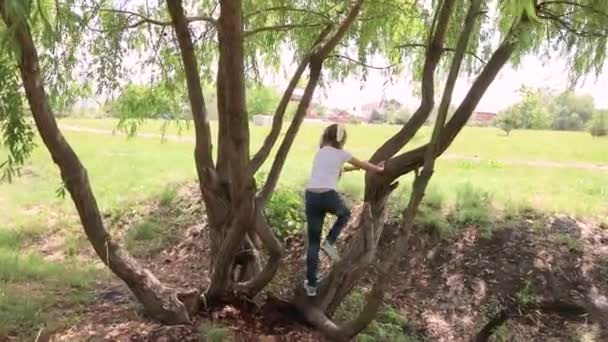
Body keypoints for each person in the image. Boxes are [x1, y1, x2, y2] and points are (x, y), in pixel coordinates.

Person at [304, 123, 384, 296]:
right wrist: (379, 168)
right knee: (345, 213)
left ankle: (311, 285)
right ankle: (330, 241)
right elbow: (364, 164)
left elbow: (335, 170)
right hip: (327, 195)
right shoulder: (342, 153)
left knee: (313, 244)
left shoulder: (321, 152)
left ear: (326, 136)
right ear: (342, 139)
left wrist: (351, 168)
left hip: (311, 196)